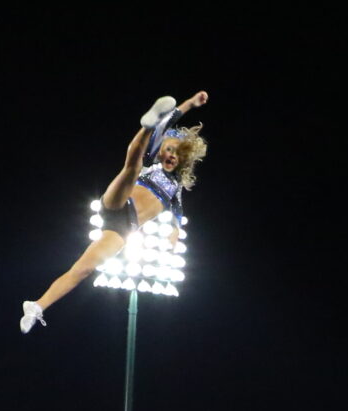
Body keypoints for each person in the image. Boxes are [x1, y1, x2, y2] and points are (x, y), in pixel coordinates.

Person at [22, 93, 209, 333]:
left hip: (123, 228)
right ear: (161, 149)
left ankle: (37, 306)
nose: (172, 155)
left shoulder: (175, 189)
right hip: (119, 202)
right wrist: (191, 103)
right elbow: (170, 119)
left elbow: (176, 221)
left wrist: (172, 244)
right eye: (169, 149)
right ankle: (148, 126)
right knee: (133, 168)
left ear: (184, 160)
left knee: (83, 269)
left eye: (179, 154)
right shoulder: (152, 164)